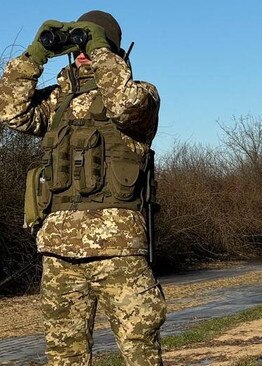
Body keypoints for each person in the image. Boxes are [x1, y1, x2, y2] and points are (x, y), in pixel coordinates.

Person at [0, 10, 165, 366]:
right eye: (81, 43)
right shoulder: (55, 102)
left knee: (140, 352)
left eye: (91, 41)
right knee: (64, 357)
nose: (84, 52)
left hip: (118, 251)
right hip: (59, 253)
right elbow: (9, 110)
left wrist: (101, 49)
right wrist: (34, 56)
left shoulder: (141, 94)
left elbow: (124, 106)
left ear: (112, 49)